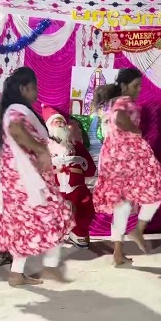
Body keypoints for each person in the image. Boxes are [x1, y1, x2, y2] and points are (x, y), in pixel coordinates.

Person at [0, 67, 75, 287]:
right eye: (34, 88)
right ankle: (50, 267)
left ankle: (16, 274)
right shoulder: (15, 111)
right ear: (24, 88)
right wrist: (41, 150)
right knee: (56, 216)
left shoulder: (9, 110)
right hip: (23, 180)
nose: (36, 93)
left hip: (17, 181)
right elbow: (16, 131)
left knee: (25, 225)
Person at [92, 68, 161, 266]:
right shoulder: (123, 102)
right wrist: (136, 130)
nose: (138, 90)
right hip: (128, 154)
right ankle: (138, 229)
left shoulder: (116, 102)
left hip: (115, 155)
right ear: (124, 86)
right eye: (136, 86)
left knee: (123, 203)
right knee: (158, 187)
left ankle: (118, 252)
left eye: (140, 86)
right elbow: (119, 119)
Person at [42, 105, 96, 248]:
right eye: (56, 122)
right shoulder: (45, 147)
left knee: (85, 207)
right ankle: (55, 234)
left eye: (62, 122)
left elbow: (90, 168)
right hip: (56, 190)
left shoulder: (76, 145)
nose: (60, 124)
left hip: (77, 189)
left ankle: (78, 234)